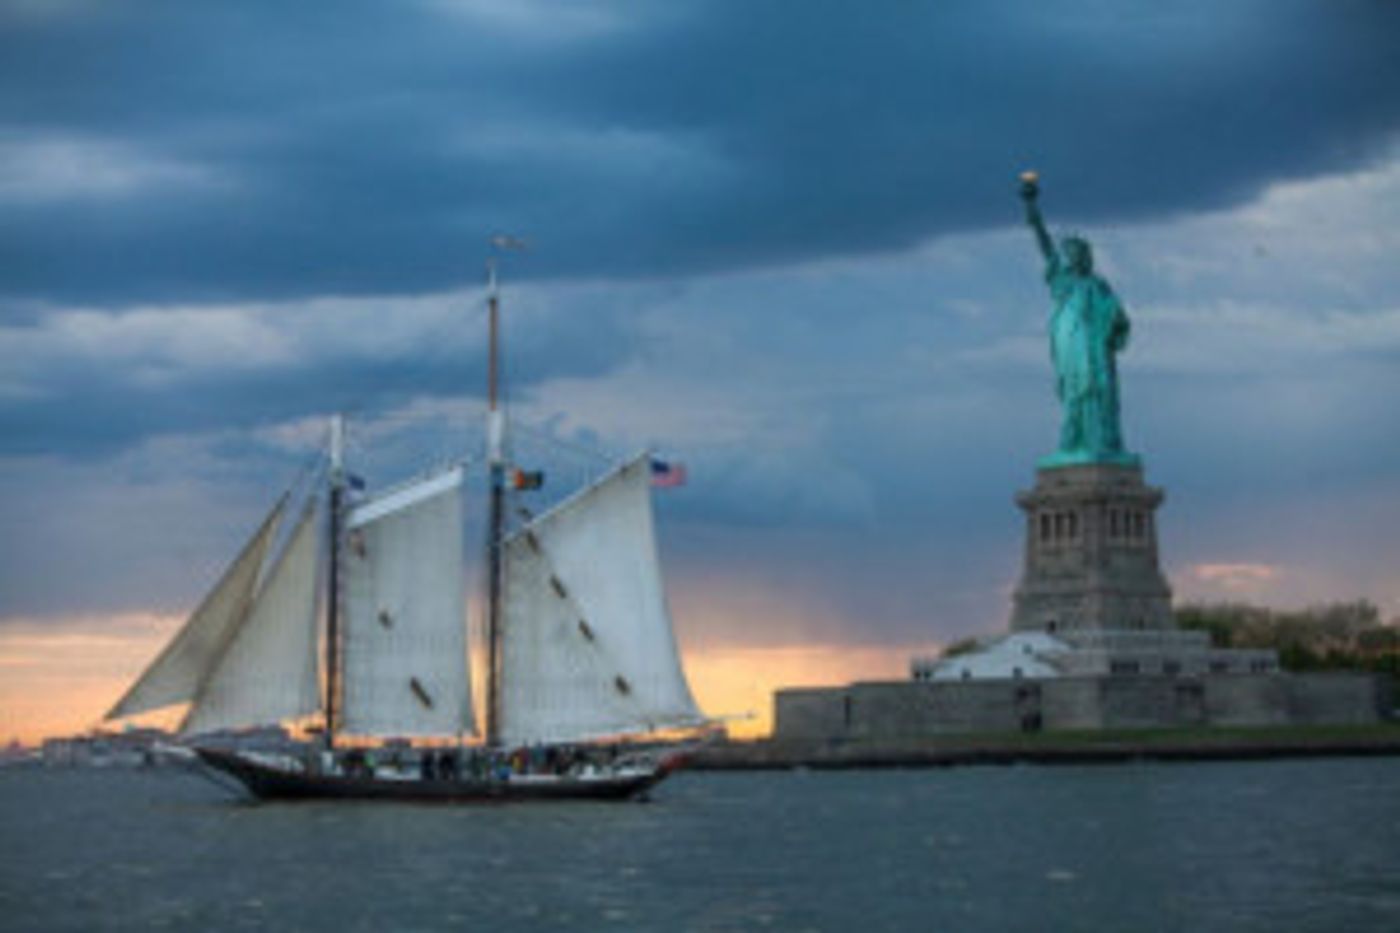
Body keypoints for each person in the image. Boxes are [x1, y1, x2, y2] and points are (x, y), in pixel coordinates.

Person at [1020, 174, 1133, 463]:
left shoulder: (1098, 285)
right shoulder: (1062, 278)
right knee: (1075, 392)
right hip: (1071, 342)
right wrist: (1031, 207)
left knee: (1102, 389)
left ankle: (1102, 442)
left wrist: (1115, 318)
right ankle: (1074, 443)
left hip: (1095, 347)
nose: (1072, 257)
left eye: (1077, 253)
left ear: (1086, 256)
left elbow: (1117, 319)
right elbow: (1043, 242)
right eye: (1068, 253)